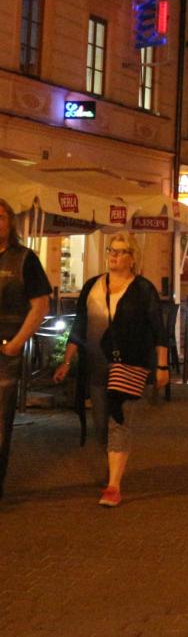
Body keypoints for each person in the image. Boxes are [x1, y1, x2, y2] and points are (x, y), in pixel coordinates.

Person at [54, 232, 166, 507]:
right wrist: (67, 360)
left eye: (121, 251)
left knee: (120, 421)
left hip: (129, 363)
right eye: (111, 251)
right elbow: (79, 326)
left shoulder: (142, 289)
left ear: (132, 258)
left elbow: (158, 330)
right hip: (95, 365)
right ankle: (113, 464)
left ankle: (114, 485)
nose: (114, 256)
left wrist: (162, 365)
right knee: (101, 423)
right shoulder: (92, 286)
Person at [1, 197, 51, 500]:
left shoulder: (24, 259)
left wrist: (17, 343)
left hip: (4, 352)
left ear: (10, 223)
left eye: (2, 216)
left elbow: (40, 305)